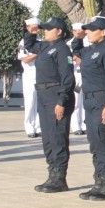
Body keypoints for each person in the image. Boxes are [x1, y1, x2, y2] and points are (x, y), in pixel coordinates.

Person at [71, 16, 105, 201]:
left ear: (103, 32)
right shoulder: (89, 51)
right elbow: (75, 50)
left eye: (92, 30)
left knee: (103, 143)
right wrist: (78, 36)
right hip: (90, 100)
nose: (89, 33)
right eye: (88, 30)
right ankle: (98, 182)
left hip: (102, 100)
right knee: (94, 143)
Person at [23, 17, 75, 192]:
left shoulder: (62, 50)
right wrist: (32, 30)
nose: (45, 31)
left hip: (55, 94)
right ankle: (51, 173)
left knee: (57, 136)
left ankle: (59, 177)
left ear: (59, 31)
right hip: (43, 95)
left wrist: (61, 101)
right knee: (47, 137)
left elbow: (68, 78)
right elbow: (30, 44)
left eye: (49, 29)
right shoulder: (45, 47)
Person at [19, 18, 41, 137]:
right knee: (30, 102)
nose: (34, 30)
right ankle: (29, 127)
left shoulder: (41, 40)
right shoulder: (23, 42)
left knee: (40, 102)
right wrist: (37, 53)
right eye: (32, 28)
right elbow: (25, 59)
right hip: (29, 75)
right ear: (27, 28)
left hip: (41, 75)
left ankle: (38, 127)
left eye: (36, 27)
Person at [69, 23, 87, 135]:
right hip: (75, 74)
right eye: (77, 31)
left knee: (85, 101)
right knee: (76, 101)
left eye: (81, 31)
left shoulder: (87, 42)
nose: (79, 33)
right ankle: (76, 125)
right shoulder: (69, 44)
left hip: (86, 75)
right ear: (73, 31)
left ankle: (84, 124)